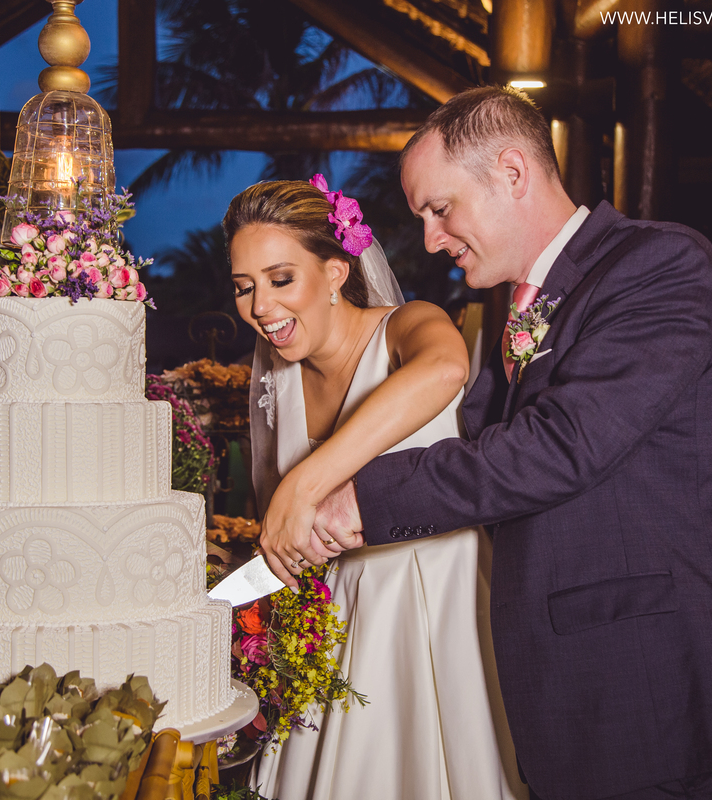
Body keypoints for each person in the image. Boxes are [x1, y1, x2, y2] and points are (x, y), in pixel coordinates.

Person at [265, 86, 712, 799]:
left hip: (659, 695)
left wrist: (357, 501)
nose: (430, 239)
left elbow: (560, 446)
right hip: (568, 693)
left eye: (439, 209)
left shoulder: (660, 266)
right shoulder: (508, 310)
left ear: (512, 172)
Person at [227, 177, 523, 800]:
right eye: (244, 287)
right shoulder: (275, 385)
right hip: (335, 629)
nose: (261, 307)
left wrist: (306, 483)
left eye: (281, 279)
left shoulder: (407, 327)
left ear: (337, 272)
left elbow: (445, 369)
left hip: (438, 612)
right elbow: (281, 534)